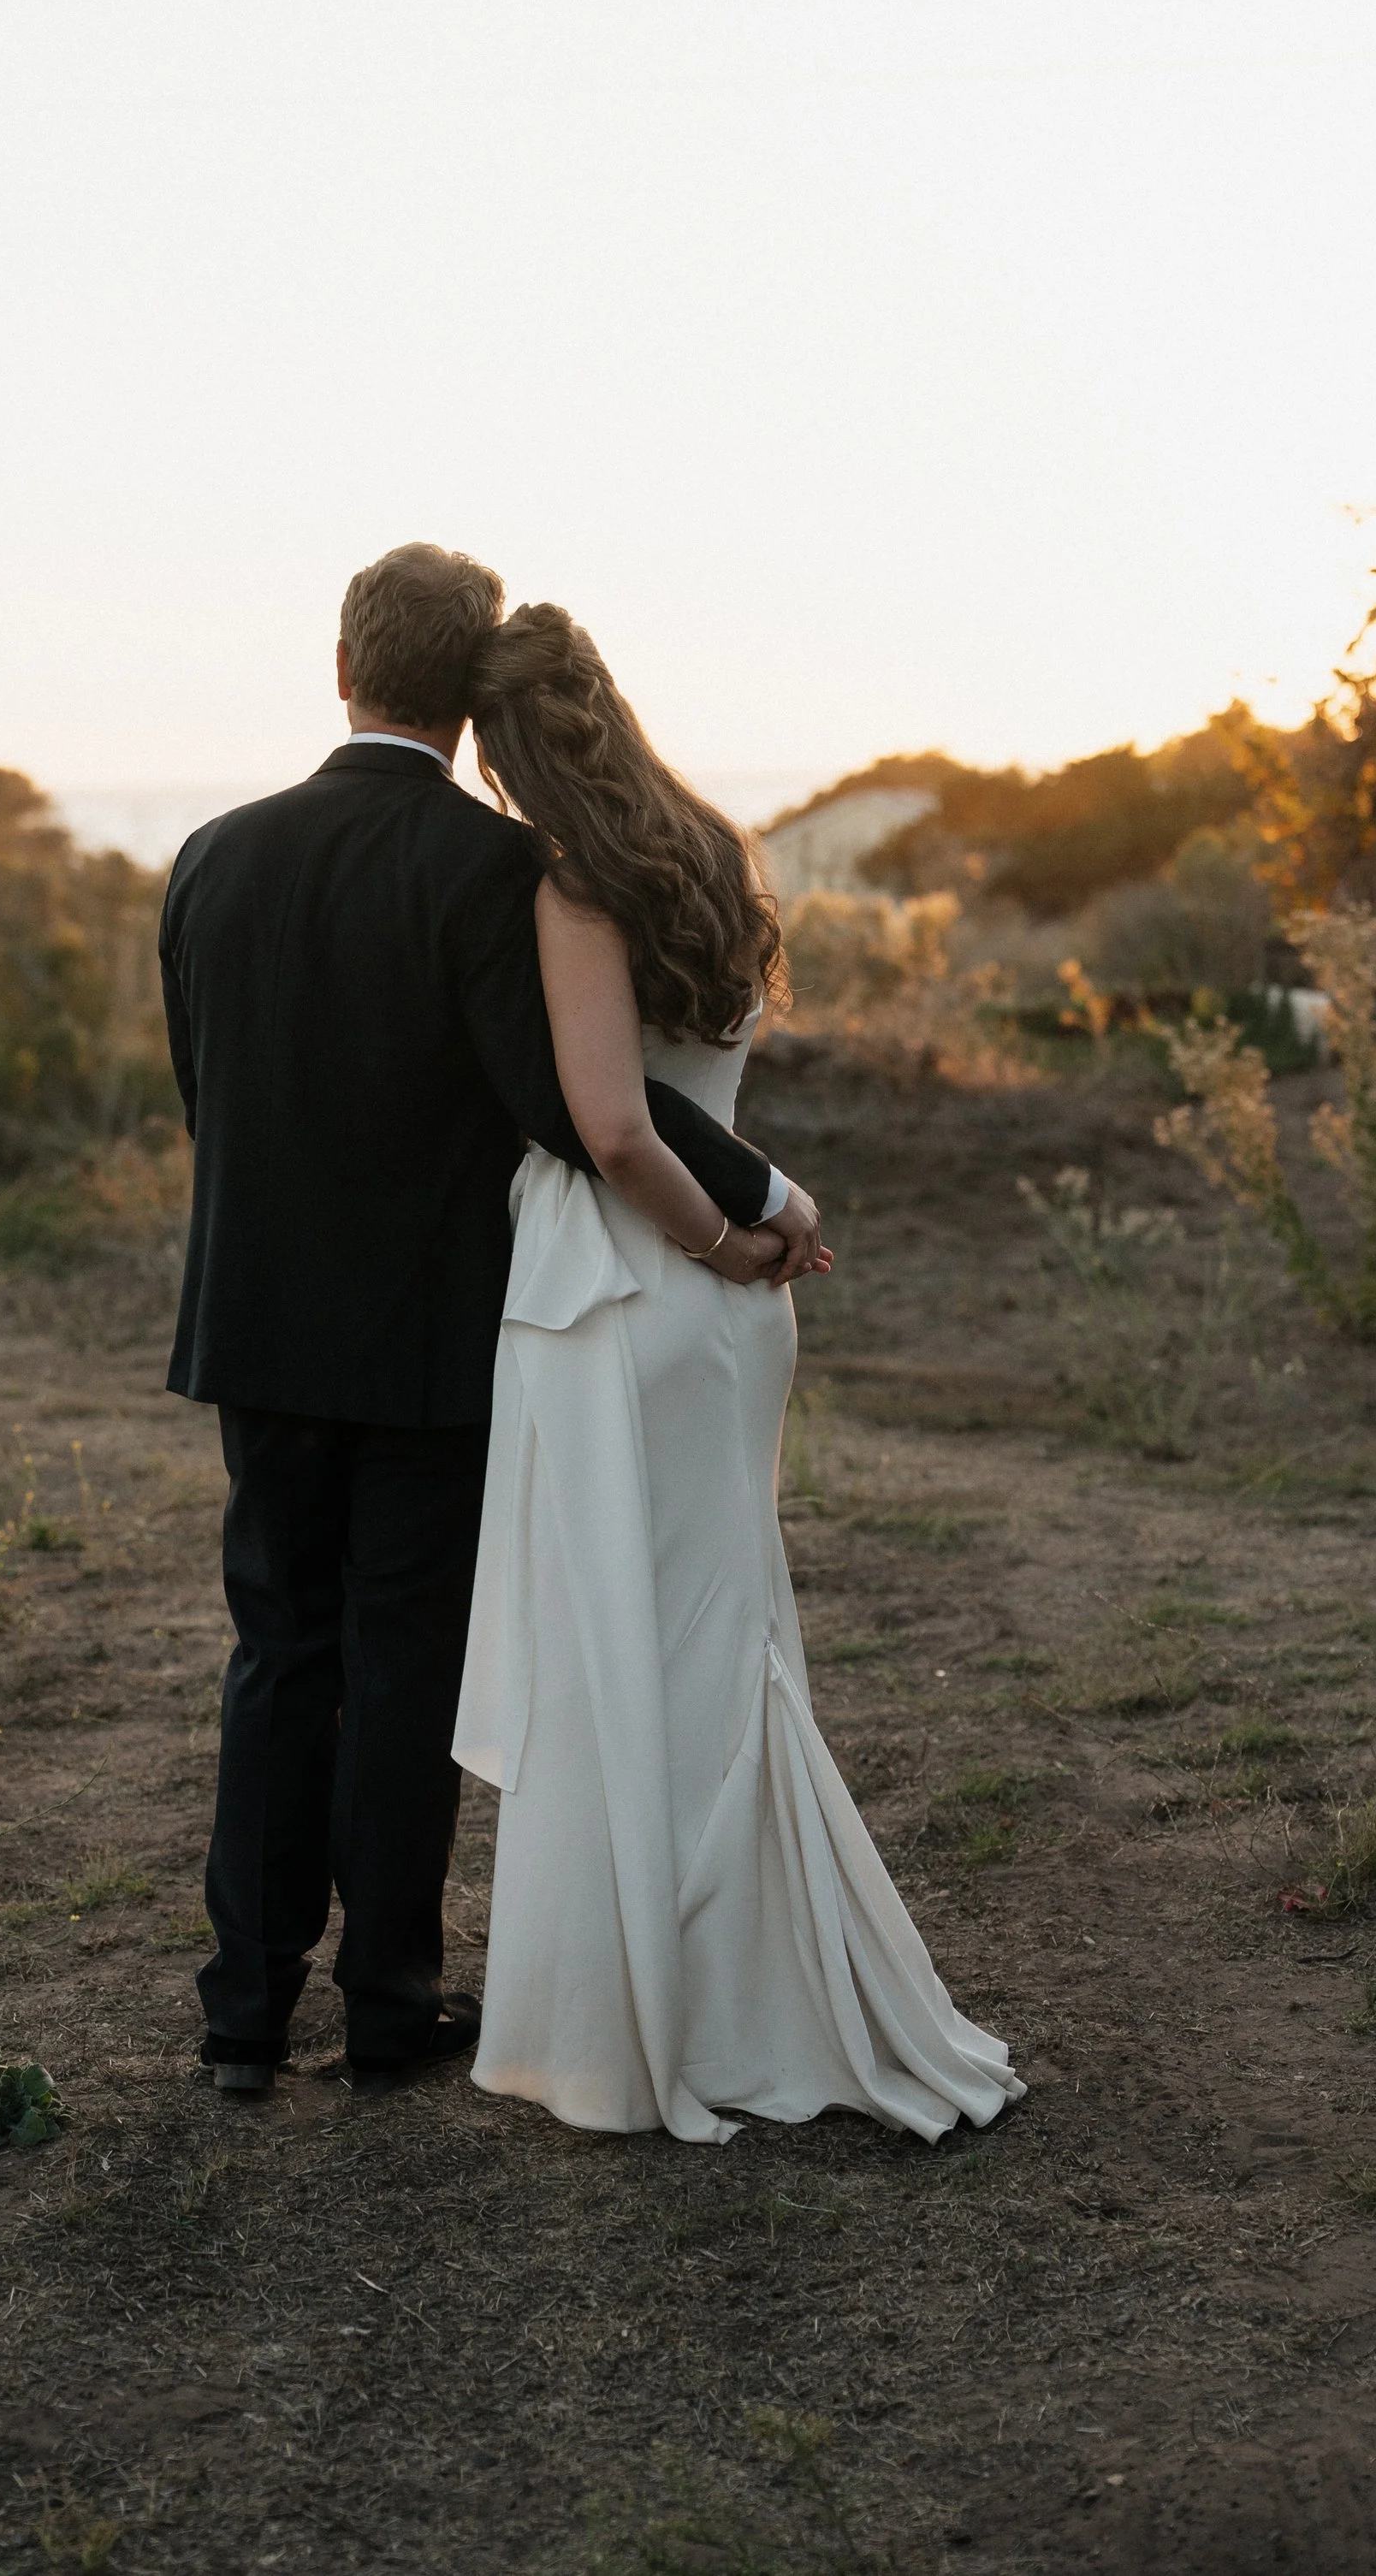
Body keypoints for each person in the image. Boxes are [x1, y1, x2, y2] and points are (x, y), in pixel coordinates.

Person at [158, 544, 822, 2096]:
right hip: (426, 1338)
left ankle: (241, 2017)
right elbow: (573, 1101)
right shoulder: (487, 872)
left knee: (276, 1655)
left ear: (342, 664)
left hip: (255, 1323)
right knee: (399, 1662)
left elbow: (212, 1093)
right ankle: (388, 2005)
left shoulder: (209, 854)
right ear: (466, 699)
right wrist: (766, 1191)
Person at [454, 603, 1023, 2146]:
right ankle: (749, 1974)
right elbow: (695, 1083)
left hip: (632, 1289)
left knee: (620, 1643)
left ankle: (654, 2010)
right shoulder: (708, 850)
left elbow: (614, 1123)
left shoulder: (573, 890)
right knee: (723, 1635)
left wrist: (715, 1238)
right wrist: (762, 1232)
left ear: (507, 752)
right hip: (729, 1319)